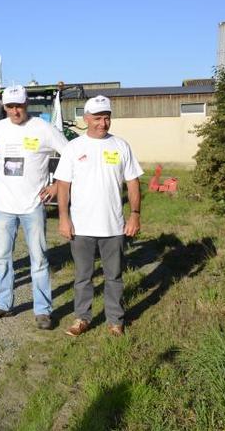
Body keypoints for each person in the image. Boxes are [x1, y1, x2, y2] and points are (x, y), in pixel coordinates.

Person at [0, 85, 69, 329]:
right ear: (4, 107)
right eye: (10, 106)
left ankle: (42, 310)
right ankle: (3, 304)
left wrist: (55, 187)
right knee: (2, 257)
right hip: (3, 206)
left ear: (26, 104)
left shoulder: (43, 128)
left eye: (19, 105)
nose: (15, 110)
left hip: (32, 206)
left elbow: (69, 155)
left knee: (38, 259)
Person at [53, 95, 143, 337]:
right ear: (86, 119)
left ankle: (115, 320)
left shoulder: (121, 146)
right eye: (97, 118)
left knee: (114, 276)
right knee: (83, 277)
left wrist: (134, 214)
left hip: (113, 227)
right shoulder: (74, 148)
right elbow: (62, 185)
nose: (103, 123)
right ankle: (82, 318)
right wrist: (63, 217)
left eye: (107, 118)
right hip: (81, 226)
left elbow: (133, 182)